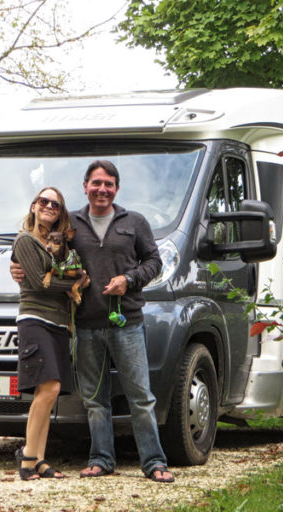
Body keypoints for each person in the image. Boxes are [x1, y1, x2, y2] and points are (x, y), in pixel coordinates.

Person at [11, 160, 174, 483]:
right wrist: (16, 266)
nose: (102, 189)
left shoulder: (134, 222)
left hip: (127, 323)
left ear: (116, 189)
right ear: (85, 187)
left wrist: (129, 279)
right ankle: (101, 459)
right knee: (95, 400)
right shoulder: (71, 224)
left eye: (108, 184)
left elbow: (154, 261)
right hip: (85, 325)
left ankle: (154, 462)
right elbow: (45, 252)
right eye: (96, 183)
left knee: (141, 398)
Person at [11, 186, 80, 480]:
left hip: (59, 323)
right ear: (33, 206)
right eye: (44, 201)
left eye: (56, 204)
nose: (49, 206)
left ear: (61, 213)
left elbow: (68, 271)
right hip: (35, 319)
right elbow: (40, 283)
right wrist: (77, 284)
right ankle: (27, 455)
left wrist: (76, 279)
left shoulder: (61, 246)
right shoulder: (25, 240)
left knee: (47, 394)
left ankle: (39, 459)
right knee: (49, 388)